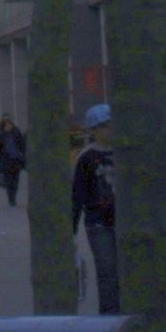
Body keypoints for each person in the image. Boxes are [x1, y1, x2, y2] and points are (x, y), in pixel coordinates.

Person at [71, 103, 119, 315]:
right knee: (107, 271)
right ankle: (109, 316)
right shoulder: (86, 158)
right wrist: (71, 229)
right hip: (98, 223)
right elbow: (77, 194)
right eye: (103, 126)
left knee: (126, 271)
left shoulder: (125, 151)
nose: (109, 129)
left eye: (110, 124)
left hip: (125, 221)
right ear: (93, 130)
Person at [0, 114, 26, 207]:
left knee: (15, 181)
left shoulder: (16, 132)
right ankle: (11, 199)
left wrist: (22, 155)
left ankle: (14, 197)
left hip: (16, 160)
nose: (8, 126)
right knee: (8, 181)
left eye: (9, 124)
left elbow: (22, 144)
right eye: (6, 124)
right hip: (6, 160)